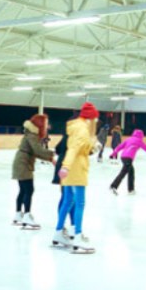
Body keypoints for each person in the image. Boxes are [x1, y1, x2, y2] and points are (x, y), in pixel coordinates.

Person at [53, 102, 99, 253]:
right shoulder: (83, 130)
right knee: (80, 203)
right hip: (76, 169)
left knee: (67, 201)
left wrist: (92, 146)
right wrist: (65, 166)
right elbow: (73, 149)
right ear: (91, 118)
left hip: (72, 168)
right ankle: (77, 237)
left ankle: (59, 232)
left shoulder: (77, 127)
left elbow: (77, 147)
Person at [12, 114, 56, 229]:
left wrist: (50, 159)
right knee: (29, 189)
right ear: (40, 124)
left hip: (21, 162)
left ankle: (18, 214)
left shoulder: (30, 134)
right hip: (23, 164)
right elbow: (37, 150)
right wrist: (52, 154)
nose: (47, 126)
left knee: (23, 190)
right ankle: (26, 215)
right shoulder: (32, 135)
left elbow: (35, 152)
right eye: (45, 124)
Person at [109, 129, 146, 195]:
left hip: (123, 157)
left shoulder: (129, 139)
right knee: (123, 173)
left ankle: (131, 189)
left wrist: (113, 153)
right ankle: (113, 186)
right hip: (128, 158)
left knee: (131, 172)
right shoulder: (139, 141)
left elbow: (119, 147)